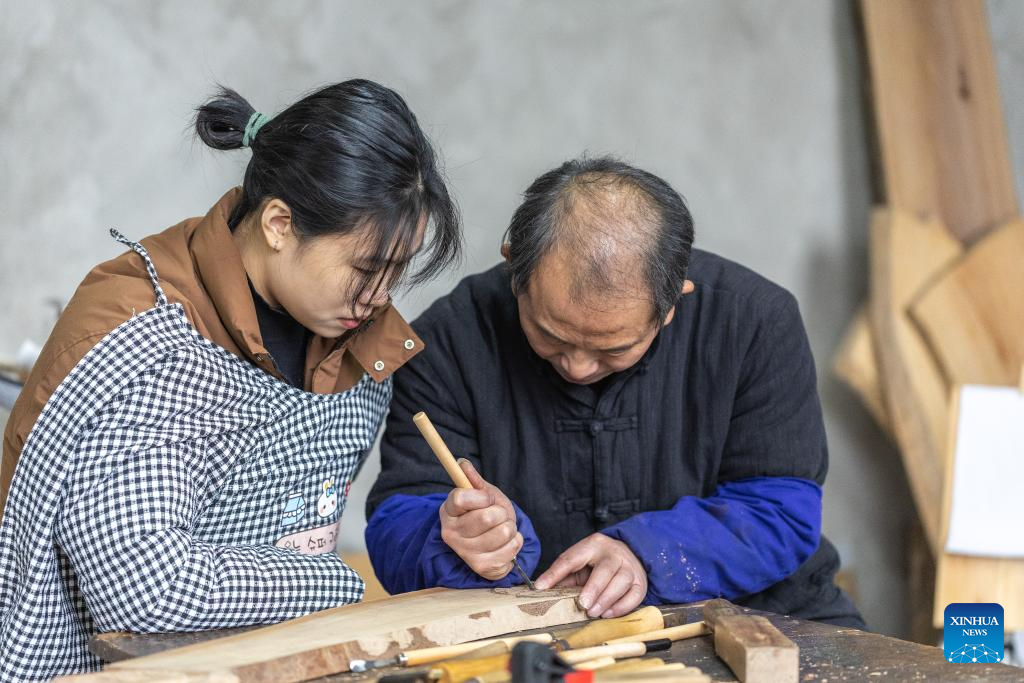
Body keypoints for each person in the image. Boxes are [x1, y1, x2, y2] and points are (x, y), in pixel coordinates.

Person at [0, 79, 461, 680]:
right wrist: (332, 581)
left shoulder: (359, 349)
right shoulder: (148, 345)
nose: (379, 298)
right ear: (278, 223)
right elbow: (145, 590)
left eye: (396, 271)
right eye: (366, 268)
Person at [367, 156, 864, 628]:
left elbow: (781, 510)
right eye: (552, 336)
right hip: (537, 631)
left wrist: (648, 553)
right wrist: (454, 535)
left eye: (614, 348)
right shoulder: (450, 339)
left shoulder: (754, 322)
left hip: (757, 614)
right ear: (515, 266)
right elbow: (398, 522)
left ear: (673, 304)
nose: (578, 367)